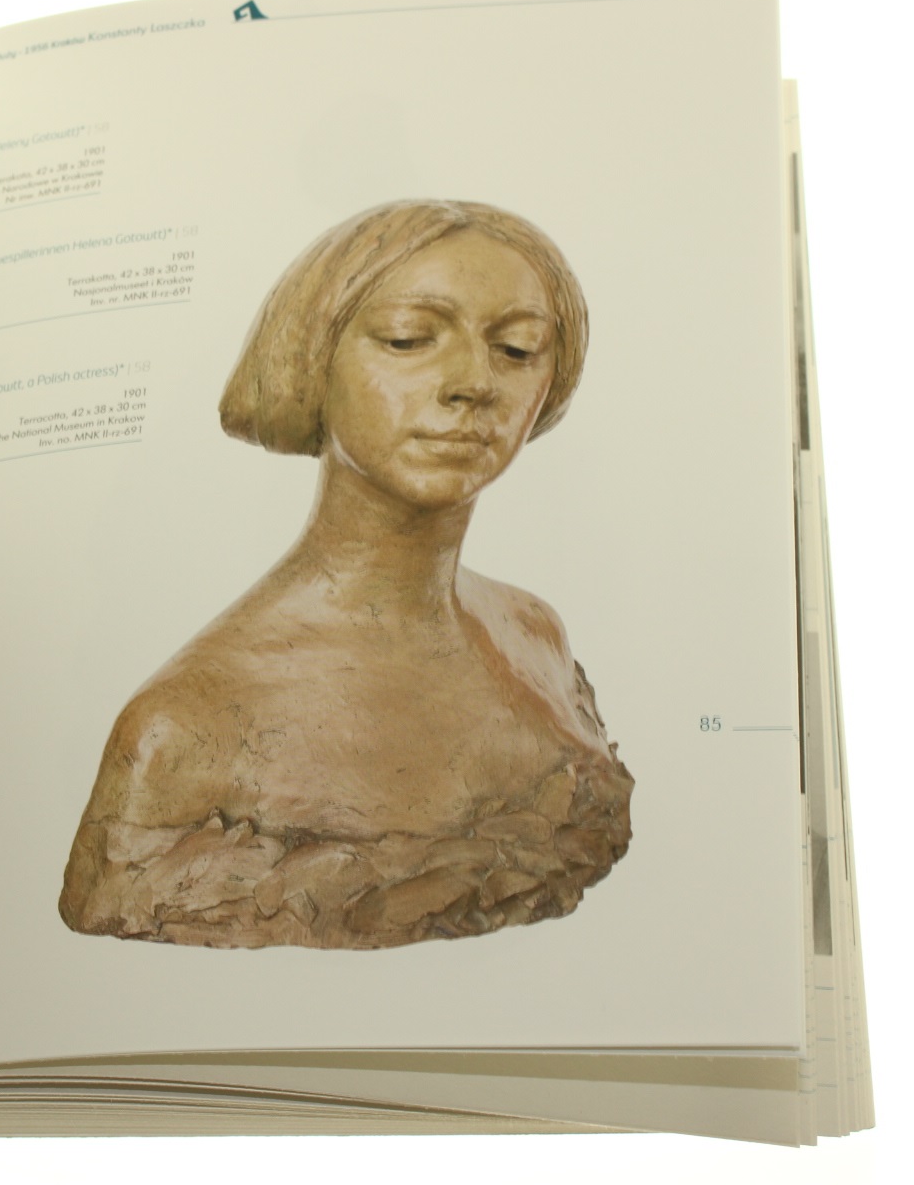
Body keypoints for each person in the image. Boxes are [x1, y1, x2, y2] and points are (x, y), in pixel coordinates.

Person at [59, 200, 633, 950]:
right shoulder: (182, 732)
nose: (473, 382)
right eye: (408, 339)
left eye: (518, 349)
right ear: (312, 358)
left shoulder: (536, 635)